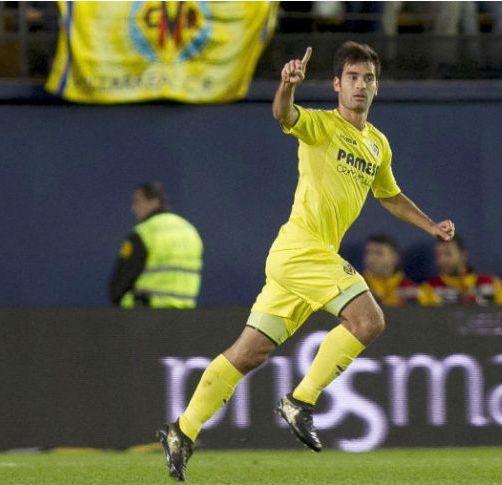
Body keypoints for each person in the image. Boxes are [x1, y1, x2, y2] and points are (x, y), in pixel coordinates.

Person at [156, 41, 455, 481]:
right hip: (303, 248)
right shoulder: (321, 126)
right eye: (352, 77)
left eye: (368, 78)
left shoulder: (377, 145)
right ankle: (300, 400)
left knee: (250, 352)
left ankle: (182, 430)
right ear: (337, 85)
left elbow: (388, 195)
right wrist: (286, 86)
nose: (360, 85)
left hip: (301, 259)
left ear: (377, 87)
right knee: (369, 321)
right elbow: (284, 115)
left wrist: (429, 226)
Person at [108, 182, 203, 309]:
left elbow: (120, 282)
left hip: (146, 316)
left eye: (137, 201)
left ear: (154, 202)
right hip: (186, 316)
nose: (133, 208)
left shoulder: (144, 233)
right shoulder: (190, 231)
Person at [421, 236, 502, 305]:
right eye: (438, 255)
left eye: (448, 254)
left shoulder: (492, 283)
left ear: (463, 255)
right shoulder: (429, 288)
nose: (442, 260)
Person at [362, 233, 422, 306]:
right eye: (368, 253)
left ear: (395, 257)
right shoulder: (355, 288)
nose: (371, 259)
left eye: (378, 253)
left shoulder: (412, 291)